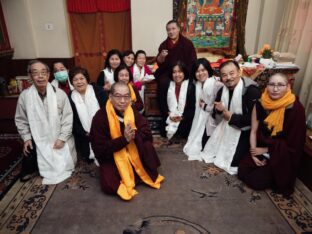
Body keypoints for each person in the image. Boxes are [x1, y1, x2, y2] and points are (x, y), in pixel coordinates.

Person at [90, 82, 164, 200]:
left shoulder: (132, 111)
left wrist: (134, 136)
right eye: (118, 96)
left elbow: (146, 132)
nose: (123, 101)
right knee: (109, 185)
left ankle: (137, 171)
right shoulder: (100, 117)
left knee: (147, 146)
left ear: (130, 97)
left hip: (134, 149)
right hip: (113, 155)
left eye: (126, 96)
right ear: (110, 97)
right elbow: (99, 149)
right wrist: (123, 140)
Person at [238, 73, 306, 196]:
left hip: (282, 153)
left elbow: (294, 144)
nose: (275, 89)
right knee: (242, 170)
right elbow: (253, 130)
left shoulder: (296, 108)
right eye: (272, 84)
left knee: (256, 181)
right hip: (261, 145)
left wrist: (266, 150)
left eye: (280, 85)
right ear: (266, 86)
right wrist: (254, 153)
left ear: (288, 87)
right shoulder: (260, 103)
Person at [15, 60, 77, 184]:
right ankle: (34, 164)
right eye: (36, 73)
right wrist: (26, 138)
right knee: (29, 156)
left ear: (49, 75)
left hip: (59, 135)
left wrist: (62, 138)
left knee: (66, 164)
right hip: (38, 136)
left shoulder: (60, 94)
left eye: (43, 72)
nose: (40, 76)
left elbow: (68, 119)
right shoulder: (25, 96)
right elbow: (21, 120)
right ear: (30, 76)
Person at [199, 60, 261, 174]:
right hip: (225, 126)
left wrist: (230, 116)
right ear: (221, 77)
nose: (228, 78)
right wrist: (218, 111)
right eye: (224, 75)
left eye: (232, 73)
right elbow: (216, 114)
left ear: (239, 72)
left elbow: (254, 121)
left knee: (233, 162)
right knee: (206, 147)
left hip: (245, 130)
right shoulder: (222, 90)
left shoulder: (251, 91)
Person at [155, 20, 197, 136]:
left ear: (179, 29)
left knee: (189, 85)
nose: (171, 31)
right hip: (168, 73)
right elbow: (159, 63)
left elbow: (193, 61)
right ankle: (167, 113)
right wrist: (161, 57)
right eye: (168, 30)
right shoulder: (164, 45)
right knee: (163, 83)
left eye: (173, 29)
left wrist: (184, 74)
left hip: (184, 72)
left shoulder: (187, 44)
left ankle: (184, 115)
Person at [183, 58, 223, 160]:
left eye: (203, 70)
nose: (200, 73)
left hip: (214, 119)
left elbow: (219, 109)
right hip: (201, 117)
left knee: (206, 146)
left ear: (208, 70)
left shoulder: (217, 84)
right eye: (197, 71)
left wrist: (205, 106)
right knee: (195, 142)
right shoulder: (197, 85)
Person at [68, 67, 107, 165]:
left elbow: (107, 112)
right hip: (84, 135)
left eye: (82, 78)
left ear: (87, 79)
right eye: (75, 80)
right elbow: (73, 120)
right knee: (88, 157)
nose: (79, 82)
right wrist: (84, 133)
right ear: (72, 82)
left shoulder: (99, 91)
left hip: (103, 130)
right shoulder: (70, 97)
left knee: (107, 153)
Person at [165, 61, 195, 141]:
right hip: (171, 115)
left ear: (184, 73)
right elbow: (162, 104)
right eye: (174, 72)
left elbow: (192, 108)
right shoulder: (167, 85)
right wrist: (170, 114)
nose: (177, 75)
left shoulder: (191, 86)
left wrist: (182, 118)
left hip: (185, 117)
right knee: (163, 126)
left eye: (180, 72)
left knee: (185, 128)